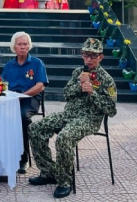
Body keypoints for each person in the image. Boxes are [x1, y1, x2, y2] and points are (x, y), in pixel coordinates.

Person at [28, 37, 117, 199]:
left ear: (101, 57)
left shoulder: (107, 80)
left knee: (64, 137)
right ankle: (49, 171)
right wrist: (79, 85)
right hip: (68, 115)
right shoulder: (78, 72)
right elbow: (67, 94)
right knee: (35, 128)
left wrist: (92, 93)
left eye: (93, 56)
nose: (88, 59)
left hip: (88, 120)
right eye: (85, 55)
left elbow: (111, 110)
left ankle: (65, 181)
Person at [0, 31, 48, 174]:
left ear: (29, 46)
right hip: (11, 98)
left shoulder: (37, 63)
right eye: (20, 44)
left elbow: (41, 85)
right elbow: (2, 84)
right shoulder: (9, 65)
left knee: (22, 117)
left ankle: (24, 158)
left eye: (25, 44)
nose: (23, 47)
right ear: (14, 47)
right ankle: (1, 155)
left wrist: (23, 95)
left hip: (30, 98)